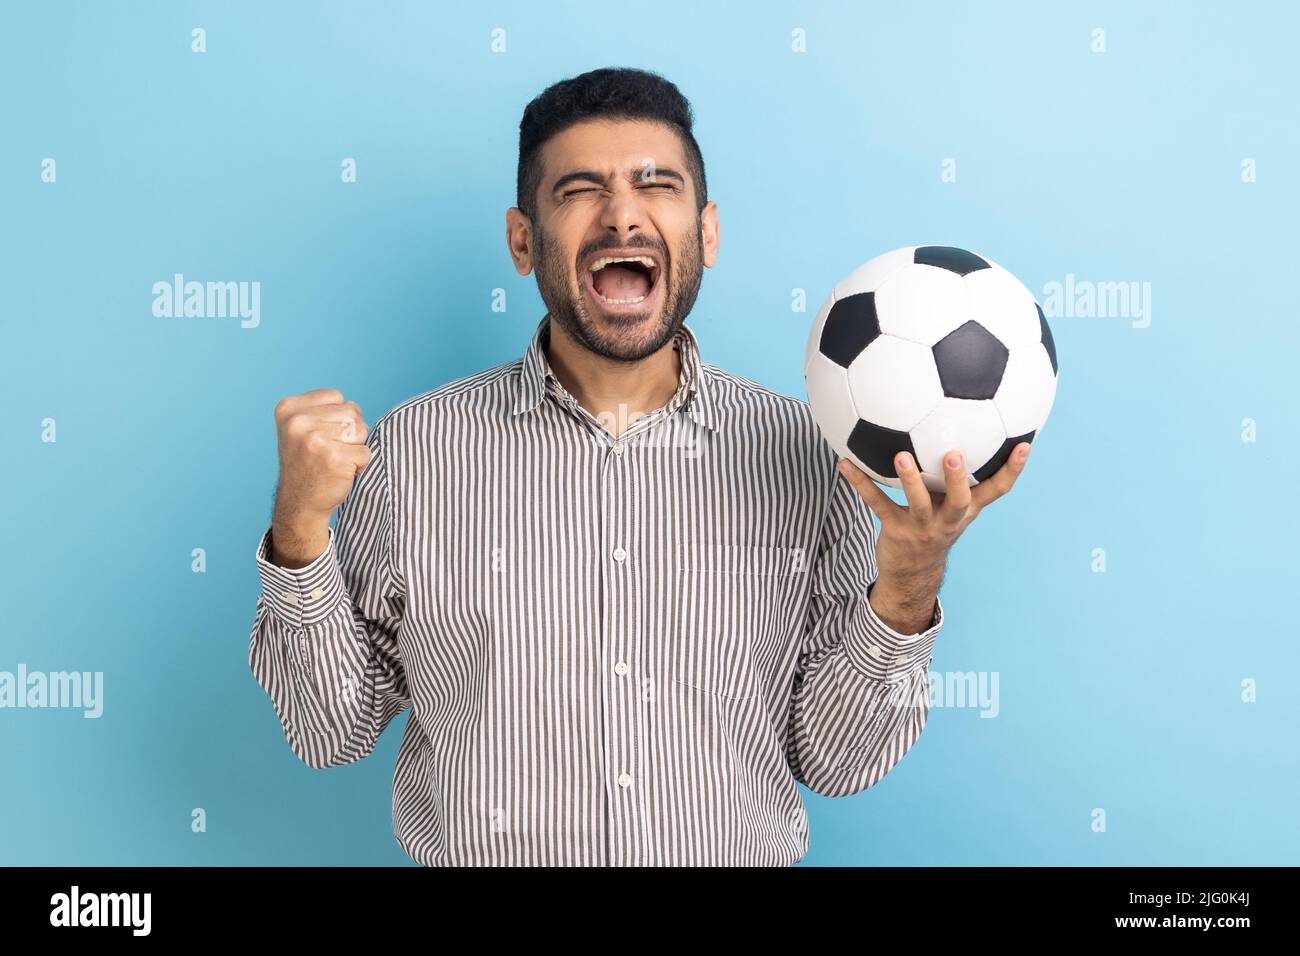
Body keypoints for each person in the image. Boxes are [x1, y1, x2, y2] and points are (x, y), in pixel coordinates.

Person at [249, 66, 1030, 866]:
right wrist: (301, 533)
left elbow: (837, 761)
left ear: (708, 233)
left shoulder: (808, 455)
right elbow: (329, 731)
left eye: (656, 185)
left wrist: (907, 581)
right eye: (580, 190)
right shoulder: (411, 452)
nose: (623, 214)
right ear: (523, 241)